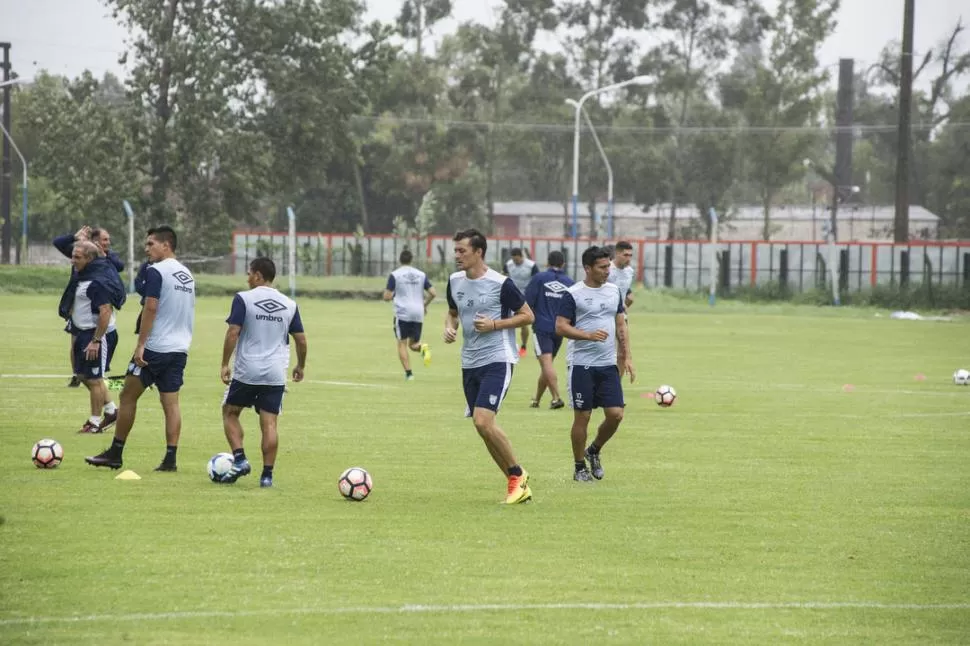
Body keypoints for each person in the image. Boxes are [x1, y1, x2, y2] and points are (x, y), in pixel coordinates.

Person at [85, 226, 196, 472]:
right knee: (171, 403)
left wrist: (141, 344)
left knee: (126, 396)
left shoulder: (157, 271)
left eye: (150, 244)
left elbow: (152, 307)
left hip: (155, 347)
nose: (146, 249)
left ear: (166, 245)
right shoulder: (187, 275)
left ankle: (115, 453)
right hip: (179, 348)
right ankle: (170, 459)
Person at [445, 228, 535, 505]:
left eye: (462, 250)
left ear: (479, 252)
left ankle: (518, 476)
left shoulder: (501, 283)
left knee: (483, 420)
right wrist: (449, 328)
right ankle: (515, 482)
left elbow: (527, 316)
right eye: (456, 250)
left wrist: (495, 325)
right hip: (469, 362)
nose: (457, 255)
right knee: (481, 427)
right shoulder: (455, 281)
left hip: (498, 358)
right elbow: (452, 312)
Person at [219, 258, 308, 488]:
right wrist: (300, 365)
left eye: (249, 273)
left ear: (258, 275)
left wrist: (224, 363)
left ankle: (239, 459)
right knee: (269, 424)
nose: (247, 278)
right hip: (275, 373)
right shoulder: (289, 304)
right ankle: (267, 476)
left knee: (230, 412)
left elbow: (232, 332)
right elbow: (301, 339)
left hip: (247, 370)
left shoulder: (244, 299)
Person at [555, 246, 635, 482]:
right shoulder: (573, 294)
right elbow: (561, 326)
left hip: (607, 363)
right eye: (602, 267)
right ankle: (579, 467)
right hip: (581, 365)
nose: (607, 271)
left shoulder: (613, 291)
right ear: (587, 268)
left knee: (616, 414)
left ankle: (594, 450)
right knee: (583, 416)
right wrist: (587, 335)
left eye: (608, 266)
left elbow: (621, 325)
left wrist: (627, 356)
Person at [66, 241, 127, 433]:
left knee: (95, 379)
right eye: (73, 256)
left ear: (89, 259)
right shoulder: (81, 278)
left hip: (94, 335)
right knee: (82, 375)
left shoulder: (96, 282)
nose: (72, 260)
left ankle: (94, 423)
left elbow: (105, 311)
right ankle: (111, 411)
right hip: (81, 333)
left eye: (77, 257)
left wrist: (96, 340)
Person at [54, 226, 125, 387]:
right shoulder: (81, 253)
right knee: (76, 346)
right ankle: (77, 376)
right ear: (94, 241)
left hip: (96, 311)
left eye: (108, 239)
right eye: (104, 239)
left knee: (96, 377)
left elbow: (120, 266)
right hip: (79, 307)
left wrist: (102, 255)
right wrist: (74, 237)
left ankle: (131, 385)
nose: (108, 242)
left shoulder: (106, 260)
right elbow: (58, 243)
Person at [524, 250, 574, 410]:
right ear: (563, 264)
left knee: (546, 364)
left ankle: (556, 398)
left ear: (547, 263)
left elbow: (527, 302)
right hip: (560, 329)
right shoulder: (569, 282)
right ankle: (536, 399)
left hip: (542, 327)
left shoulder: (539, 278)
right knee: (548, 365)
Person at [382, 249, 436, 380]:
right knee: (413, 345)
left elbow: (387, 296)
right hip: (418, 312)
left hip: (403, 313)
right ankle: (423, 348)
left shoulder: (395, 275)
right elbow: (433, 293)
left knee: (402, 344)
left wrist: (394, 295)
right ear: (411, 260)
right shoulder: (421, 274)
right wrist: (424, 305)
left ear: (400, 260)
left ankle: (409, 374)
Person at [504, 247, 538, 357]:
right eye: (514, 260)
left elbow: (536, 281)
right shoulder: (508, 265)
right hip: (511, 297)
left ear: (521, 256)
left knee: (524, 324)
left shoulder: (531, 266)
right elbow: (503, 277)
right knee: (508, 322)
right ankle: (510, 345)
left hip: (525, 297)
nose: (515, 262)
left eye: (517, 260)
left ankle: (523, 346)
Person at [607, 240, 636, 312]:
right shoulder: (607, 269)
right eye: (625, 255)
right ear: (617, 254)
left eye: (630, 255)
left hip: (620, 315)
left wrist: (623, 308)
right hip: (606, 314)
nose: (628, 259)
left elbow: (627, 294)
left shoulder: (630, 271)